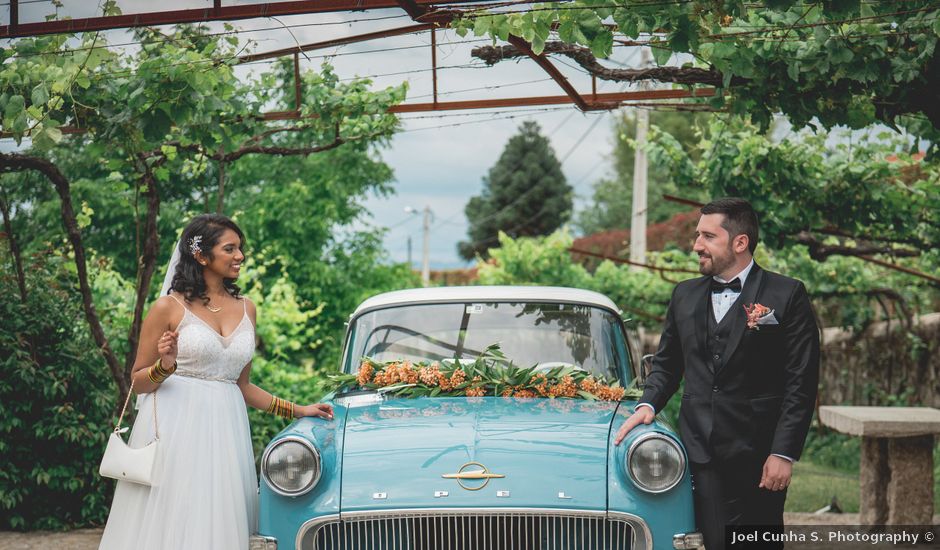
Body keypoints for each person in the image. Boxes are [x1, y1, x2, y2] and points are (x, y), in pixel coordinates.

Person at [99, 214, 333, 550]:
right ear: (201, 255)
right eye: (230, 248)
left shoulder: (247, 308)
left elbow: (243, 384)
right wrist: (165, 366)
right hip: (175, 428)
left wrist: (298, 410)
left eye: (241, 248)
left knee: (218, 514)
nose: (240, 255)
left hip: (226, 430)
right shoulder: (168, 307)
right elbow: (138, 381)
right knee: (175, 516)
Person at [614, 197, 819, 550]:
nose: (696, 245)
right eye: (697, 235)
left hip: (759, 455)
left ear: (740, 243)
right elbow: (667, 365)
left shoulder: (787, 294)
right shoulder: (684, 296)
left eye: (708, 236)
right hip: (700, 452)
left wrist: (783, 453)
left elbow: (801, 381)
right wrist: (647, 405)